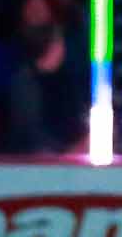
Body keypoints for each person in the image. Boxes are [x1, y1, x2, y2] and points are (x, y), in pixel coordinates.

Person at [7, 25, 89, 154]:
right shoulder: (25, 82)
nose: (64, 48)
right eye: (60, 42)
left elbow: (78, 117)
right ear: (51, 47)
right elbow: (30, 131)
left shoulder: (67, 79)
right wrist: (64, 153)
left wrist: (85, 140)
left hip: (72, 157)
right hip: (36, 160)